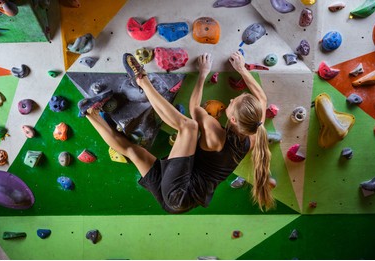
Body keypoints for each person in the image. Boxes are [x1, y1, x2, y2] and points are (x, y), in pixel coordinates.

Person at [78, 51, 275, 214]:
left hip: (180, 192)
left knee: (189, 127)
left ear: (232, 120)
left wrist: (202, 74)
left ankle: (141, 79)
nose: (231, 101)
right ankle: (90, 112)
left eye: (233, 103)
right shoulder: (254, 128)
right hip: (178, 201)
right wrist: (241, 68)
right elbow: (262, 98)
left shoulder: (217, 135)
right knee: (133, 151)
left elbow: (195, 108)